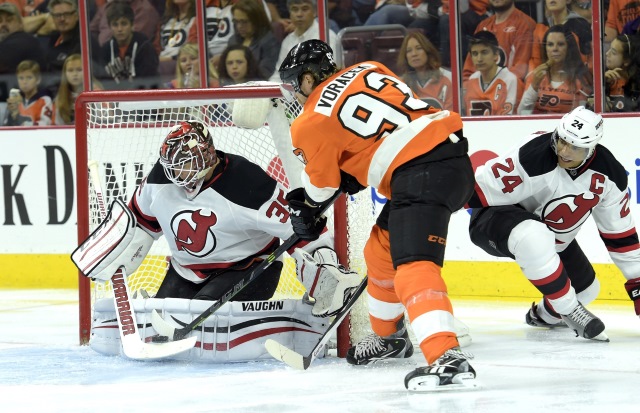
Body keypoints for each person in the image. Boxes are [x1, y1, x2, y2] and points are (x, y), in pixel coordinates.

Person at [278, 39, 477, 391]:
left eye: (296, 83)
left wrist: (306, 209)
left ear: (309, 78)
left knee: (414, 267)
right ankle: (390, 338)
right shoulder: (370, 67)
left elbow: (322, 187)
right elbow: (385, 128)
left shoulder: (308, 121)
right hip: (450, 159)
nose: (295, 93)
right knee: (380, 251)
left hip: (420, 173)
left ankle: (446, 356)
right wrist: (355, 169)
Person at [108, 120, 362, 319]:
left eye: (182, 165)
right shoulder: (162, 177)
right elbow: (140, 221)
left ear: (204, 157)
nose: (173, 173)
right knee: (158, 316)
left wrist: (325, 267)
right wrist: (117, 253)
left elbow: (301, 230)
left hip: (248, 269)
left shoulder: (247, 183)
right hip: (185, 271)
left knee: (200, 317)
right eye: (170, 165)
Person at [467, 106, 640, 341]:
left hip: (551, 239)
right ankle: (570, 310)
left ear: (591, 148)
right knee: (533, 235)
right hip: (493, 219)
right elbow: (472, 191)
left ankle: (542, 315)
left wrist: (638, 282)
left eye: (576, 147)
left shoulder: (611, 176)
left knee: (588, 290)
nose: (565, 151)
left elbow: (620, 237)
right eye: (562, 141)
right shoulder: (534, 154)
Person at [518, 25, 592, 115]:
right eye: (550, 44)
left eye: (560, 44)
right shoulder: (535, 76)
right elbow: (522, 113)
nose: (555, 49)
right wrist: (534, 86)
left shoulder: (581, 80)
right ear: (545, 49)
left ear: (569, 48)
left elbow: (583, 115)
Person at [462, 0, 536, 82]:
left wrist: (492, 89)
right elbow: (468, 71)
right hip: (480, 91)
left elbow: (519, 72)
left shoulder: (524, 24)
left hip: (507, 90)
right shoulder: (483, 25)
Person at [268, 0, 337, 82]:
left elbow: (332, 75)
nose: (299, 14)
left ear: (314, 12)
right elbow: (279, 75)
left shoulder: (327, 37)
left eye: (305, 9)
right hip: (291, 91)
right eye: (294, 9)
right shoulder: (287, 41)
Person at [99, 0, 159, 86]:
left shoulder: (144, 47)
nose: (119, 29)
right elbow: (102, 82)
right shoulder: (106, 50)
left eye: (124, 24)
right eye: (115, 25)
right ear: (110, 27)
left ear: (132, 25)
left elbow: (148, 80)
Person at [463, 30, 522, 116]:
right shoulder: (472, 79)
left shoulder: (510, 80)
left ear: (496, 55)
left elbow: (508, 121)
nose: (479, 59)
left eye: (484, 52)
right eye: (475, 54)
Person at [528, 0, 592, 73]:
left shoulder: (581, 26)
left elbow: (588, 60)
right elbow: (536, 63)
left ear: (568, 1)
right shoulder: (540, 29)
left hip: (574, 78)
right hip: (545, 80)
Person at [396, 31, 453, 111]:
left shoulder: (446, 80)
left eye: (419, 48)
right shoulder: (402, 84)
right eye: (409, 51)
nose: (414, 54)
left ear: (428, 51)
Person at [42, 0, 101, 75]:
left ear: (77, 16)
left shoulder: (85, 42)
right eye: (57, 15)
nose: (62, 19)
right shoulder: (54, 37)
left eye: (67, 14)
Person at [228, 0, 280, 80]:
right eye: (236, 21)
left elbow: (265, 73)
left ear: (256, 21)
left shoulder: (269, 41)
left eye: (244, 22)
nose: (239, 26)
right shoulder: (232, 41)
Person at [52, 54, 104, 125]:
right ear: (65, 74)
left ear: (87, 71)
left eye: (79, 70)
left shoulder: (96, 93)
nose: (75, 74)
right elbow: (55, 125)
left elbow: (106, 120)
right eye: (70, 70)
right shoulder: (60, 97)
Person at [90, 0, 161, 51]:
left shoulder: (144, 9)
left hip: (129, 59)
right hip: (102, 56)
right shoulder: (107, 7)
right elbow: (91, 32)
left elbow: (134, 41)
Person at [3, 59, 53, 126]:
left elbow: (45, 124)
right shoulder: (15, 100)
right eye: (21, 78)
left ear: (38, 79)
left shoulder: (45, 100)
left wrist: (20, 119)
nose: (24, 82)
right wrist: (12, 114)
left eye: (29, 78)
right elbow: (6, 125)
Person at [0, 2, 45, 74]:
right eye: (0, 21)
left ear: (21, 24)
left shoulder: (24, 40)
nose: (3, 24)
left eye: (9, 20)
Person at [600, 34, 640, 112]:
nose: (607, 54)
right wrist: (604, 84)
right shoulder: (605, 77)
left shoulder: (636, 85)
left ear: (627, 60)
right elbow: (591, 105)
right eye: (609, 49)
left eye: (613, 52)